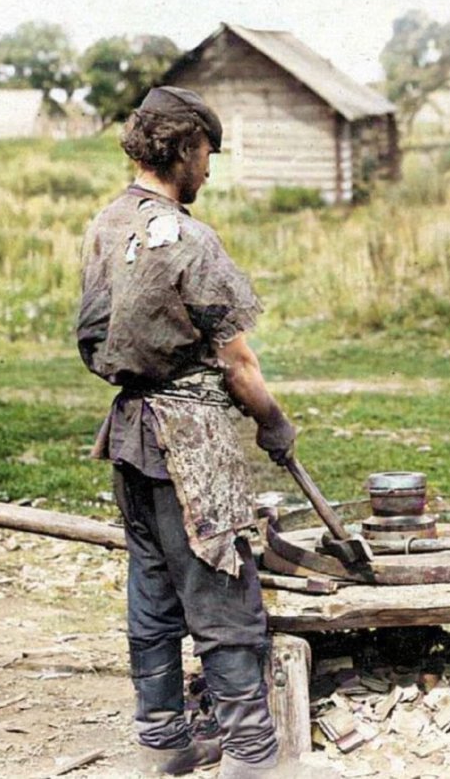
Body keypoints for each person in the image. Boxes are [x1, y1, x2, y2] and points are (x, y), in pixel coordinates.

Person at [77, 86, 296, 776]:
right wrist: (275, 423)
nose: (209, 170)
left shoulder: (107, 224)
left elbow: (93, 335)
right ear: (182, 148)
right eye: (207, 154)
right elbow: (237, 360)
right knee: (222, 588)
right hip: (189, 446)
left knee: (152, 588)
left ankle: (163, 742)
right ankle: (255, 758)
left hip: (129, 436)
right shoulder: (192, 240)